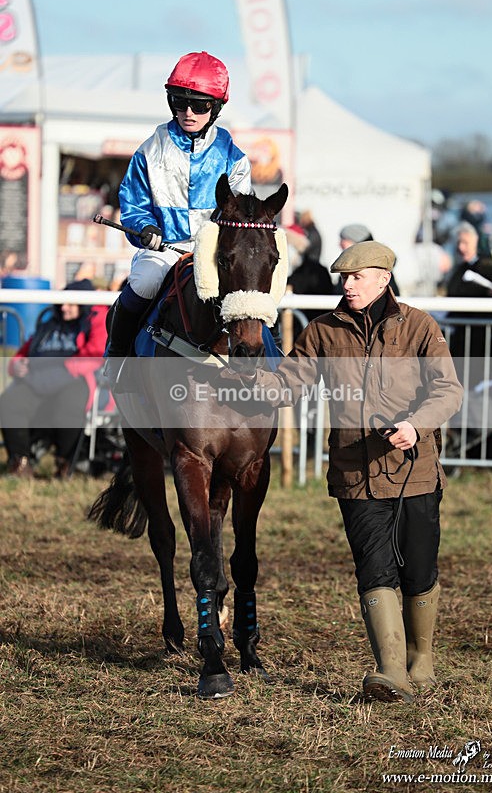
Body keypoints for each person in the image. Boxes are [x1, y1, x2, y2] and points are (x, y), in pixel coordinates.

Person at [233, 241, 463, 703]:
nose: (348, 285)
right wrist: (250, 377)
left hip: (414, 471)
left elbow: (448, 390)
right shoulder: (322, 331)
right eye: (344, 278)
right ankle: (390, 671)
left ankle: (421, 660)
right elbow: (288, 385)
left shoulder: (419, 325)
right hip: (355, 476)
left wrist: (415, 426)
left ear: (383, 278)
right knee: (374, 570)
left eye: (357, 277)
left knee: (419, 569)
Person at [104, 51, 252, 377]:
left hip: (215, 253)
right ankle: (117, 359)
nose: (188, 113)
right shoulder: (149, 150)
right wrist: (145, 227)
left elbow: (240, 216)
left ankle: (273, 363)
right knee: (144, 282)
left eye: (199, 106)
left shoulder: (234, 158)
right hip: (165, 251)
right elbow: (134, 204)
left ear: (216, 107)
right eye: (179, 102)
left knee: (251, 292)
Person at [0, 280, 108, 478]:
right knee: (9, 403)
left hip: (75, 379)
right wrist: (16, 365)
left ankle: (66, 464)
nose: (64, 307)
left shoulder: (94, 321)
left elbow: (97, 352)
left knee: (68, 404)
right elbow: (24, 351)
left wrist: (65, 369)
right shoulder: (49, 324)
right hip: (36, 379)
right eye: (62, 303)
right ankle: (20, 463)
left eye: (70, 303)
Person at [446, 221, 492, 381]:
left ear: (476, 242)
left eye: (465, 242)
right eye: (459, 243)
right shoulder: (459, 269)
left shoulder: (489, 268)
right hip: (461, 335)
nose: (461, 247)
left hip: (482, 335)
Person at [334, 223, 400, 295]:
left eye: (343, 240)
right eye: (345, 277)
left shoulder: (374, 269)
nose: (346, 285)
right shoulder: (377, 265)